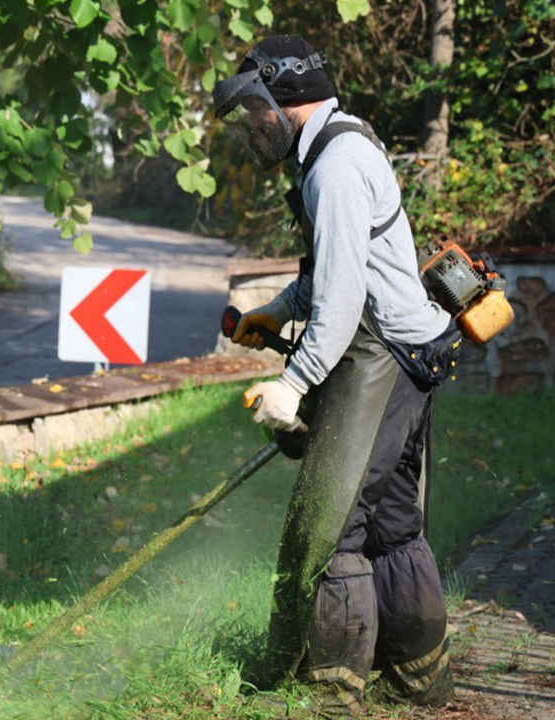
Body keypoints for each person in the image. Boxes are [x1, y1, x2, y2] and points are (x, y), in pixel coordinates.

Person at [212, 34, 460, 716]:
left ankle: (333, 696)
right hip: (402, 356)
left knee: (334, 526)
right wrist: (275, 310)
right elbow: (331, 275)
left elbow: (347, 298)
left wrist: (295, 383)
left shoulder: (337, 164)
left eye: (251, 112)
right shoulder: (330, 150)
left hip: (387, 360)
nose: (249, 128)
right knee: (390, 525)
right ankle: (416, 681)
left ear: (281, 99)